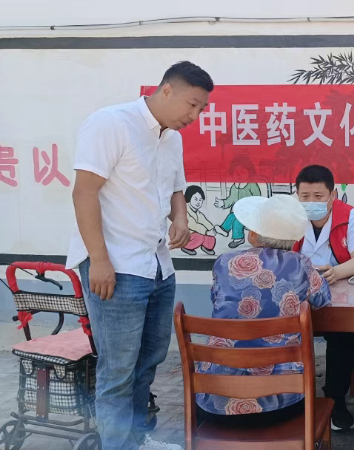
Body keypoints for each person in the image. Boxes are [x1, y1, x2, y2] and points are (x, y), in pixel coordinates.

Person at [67, 61, 213, 450]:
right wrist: (99, 260)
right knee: (118, 371)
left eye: (201, 109)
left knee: (148, 363)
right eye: (192, 105)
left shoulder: (172, 139)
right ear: (167, 90)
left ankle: (136, 439)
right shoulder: (111, 123)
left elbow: (176, 188)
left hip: (158, 266)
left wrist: (180, 217)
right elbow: (84, 192)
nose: (194, 116)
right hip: (116, 267)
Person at [195, 194, 331, 425]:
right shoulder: (301, 264)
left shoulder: (224, 262)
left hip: (215, 401)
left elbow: (216, 300)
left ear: (253, 234)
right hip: (281, 402)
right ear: (292, 240)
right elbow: (322, 300)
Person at [293, 164, 354, 431]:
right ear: (296, 195)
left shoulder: (351, 216)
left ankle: (335, 398)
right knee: (278, 327)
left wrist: (335, 272)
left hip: (338, 292)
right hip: (295, 295)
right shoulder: (289, 217)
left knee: (343, 333)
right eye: (305, 196)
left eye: (318, 196)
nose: (311, 202)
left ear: (333, 195)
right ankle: (290, 395)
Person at [214, 155, 262, 248]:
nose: (239, 174)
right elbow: (231, 199)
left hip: (250, 213)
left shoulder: (252, 185)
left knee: (237, 220)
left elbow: (257, 199)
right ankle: (224, 229)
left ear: (249, 173)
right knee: (231, 216)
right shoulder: (234, 187)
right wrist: (223, 203)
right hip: (237, 212)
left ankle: (239, 238)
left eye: (243, 172)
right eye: (236, 172)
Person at [183, 185, 219, 255]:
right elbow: (193, 225)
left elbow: (205, 222)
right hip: (185, 236)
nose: (198, 202)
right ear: (189, 198)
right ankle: (186, 247)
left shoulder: (198, 213)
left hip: (197, 233)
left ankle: (205, 247)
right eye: (195, 199)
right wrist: (206, 232)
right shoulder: (185, 210)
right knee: (200, 237)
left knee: (211, 238)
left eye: (200, 200)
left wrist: (212, 229)